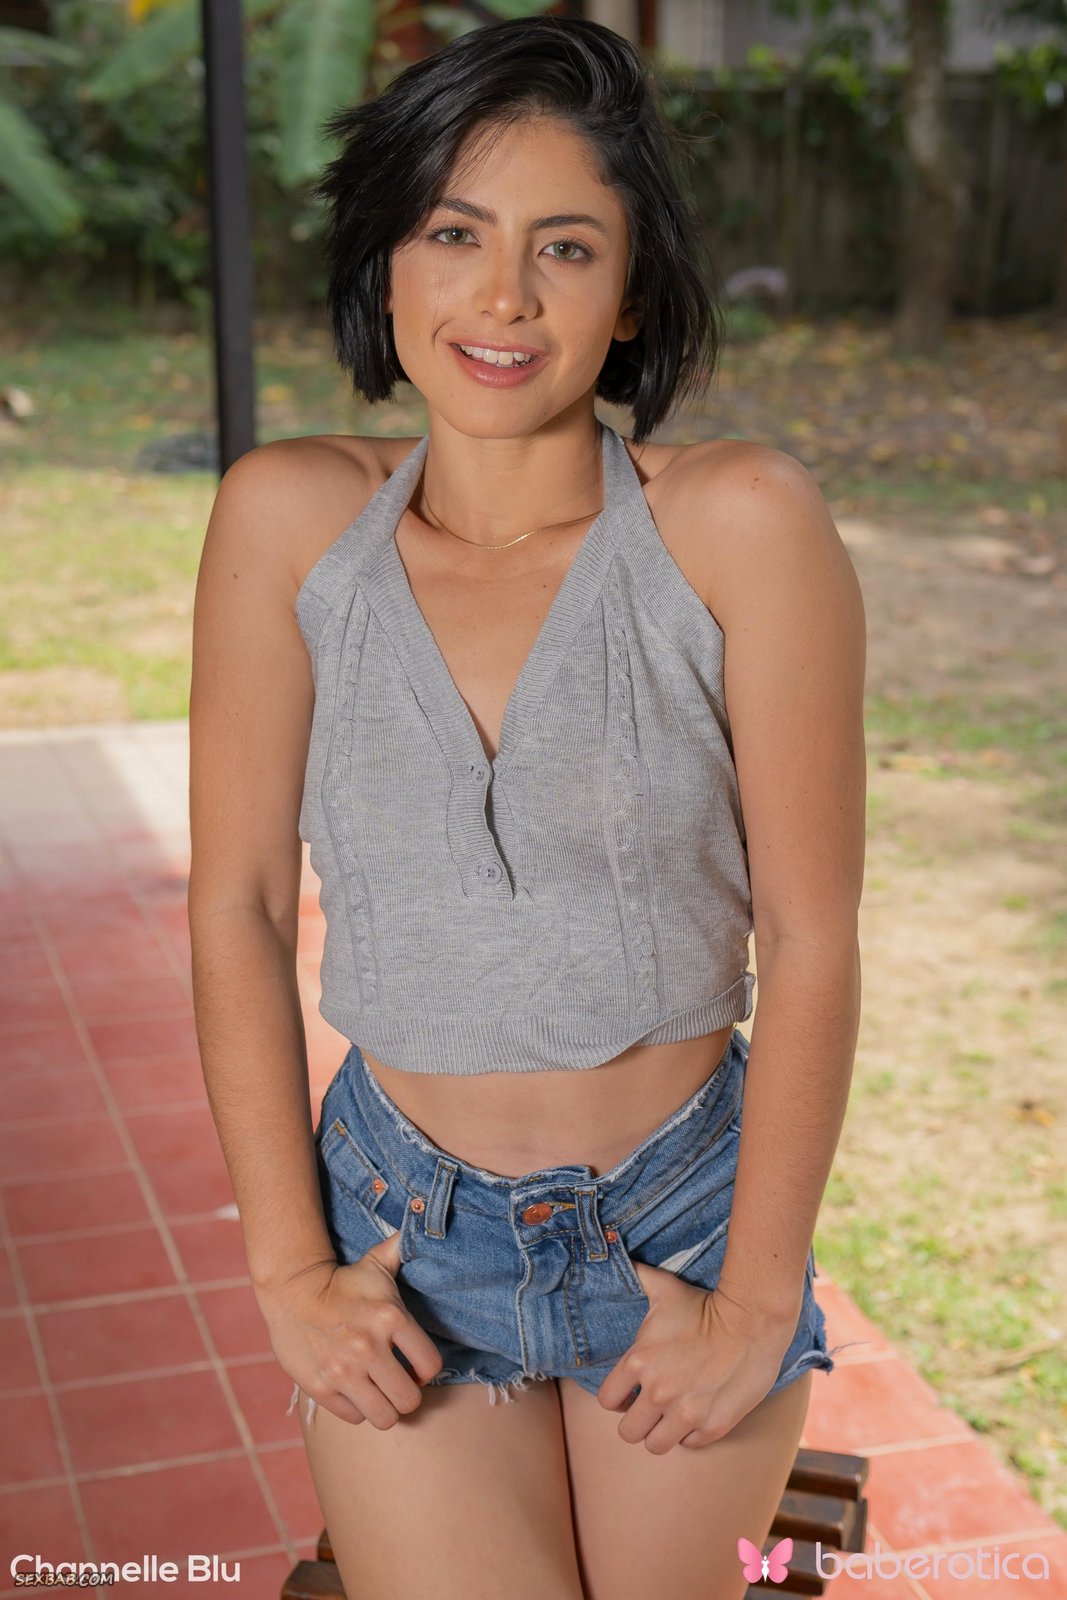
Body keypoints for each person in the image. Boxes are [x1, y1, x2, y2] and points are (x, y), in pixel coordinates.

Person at [187, 15, 866, 1600]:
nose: (503, 296)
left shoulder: (739, 523)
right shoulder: (288, 521)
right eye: (454, 234)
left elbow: (813, 936)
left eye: (565, 247)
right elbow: (238, 907)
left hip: (683, 1221)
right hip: (403, 1233)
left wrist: (759, 1295)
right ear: (388, 264)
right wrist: (288, 1268)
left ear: (630, 297)